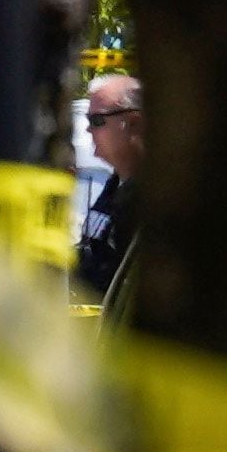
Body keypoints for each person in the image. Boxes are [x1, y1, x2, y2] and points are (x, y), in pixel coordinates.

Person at [77, 73, 144, 298]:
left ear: (133, 123)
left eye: (96, 121)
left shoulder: (152, 198)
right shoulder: (115, 184)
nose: (88, 130)